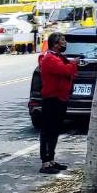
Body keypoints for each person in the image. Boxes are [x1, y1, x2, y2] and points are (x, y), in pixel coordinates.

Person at [37, 32, 80, 173]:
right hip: (52, 99)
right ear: (55, 44)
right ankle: (45, 162)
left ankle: (51, 159)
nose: (65, 43)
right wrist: (74, 63)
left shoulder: (58, 57)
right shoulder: (49, 58)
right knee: (48, 131)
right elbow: (66, 70)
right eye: (62, 41)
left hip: (60, 98)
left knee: (55, 130)